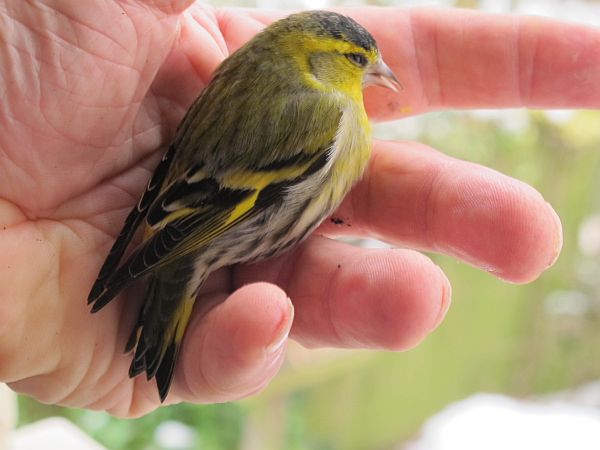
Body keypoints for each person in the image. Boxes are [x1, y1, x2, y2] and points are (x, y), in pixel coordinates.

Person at [0, 0, 595, 417]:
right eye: (357, 62)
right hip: (217, 229)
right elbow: (240, 201)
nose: (377, 73)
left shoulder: (256, 66)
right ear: (317, 61)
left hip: (173, 199)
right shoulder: (322, 117)